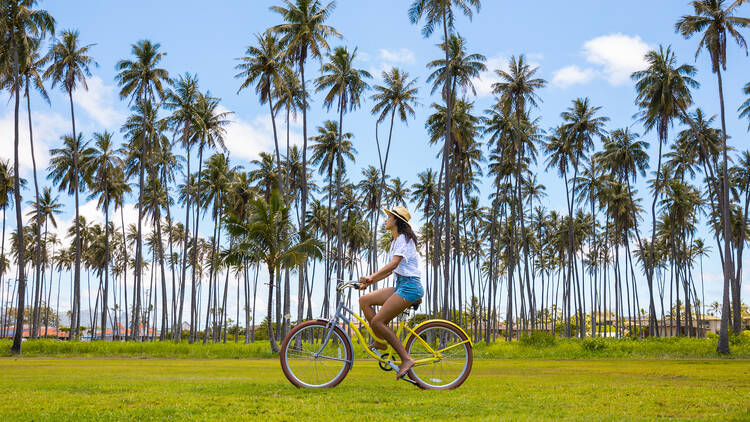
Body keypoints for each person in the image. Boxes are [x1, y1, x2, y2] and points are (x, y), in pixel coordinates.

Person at [358, 205, 423, 380]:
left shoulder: (403, 239)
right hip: (401, 285)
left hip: (410, 287)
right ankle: (381, 341)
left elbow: (393, 265)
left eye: (389, 217)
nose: (386, 219)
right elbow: (389, 271)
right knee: (364, 300)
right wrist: (369, 282)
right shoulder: (395, 242)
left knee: (378, 321)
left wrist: (370, 277)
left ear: (396, 220)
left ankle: (406, 359)